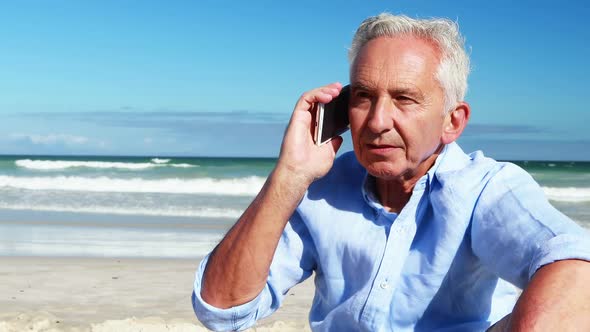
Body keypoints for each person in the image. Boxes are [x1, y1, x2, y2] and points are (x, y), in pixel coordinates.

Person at [192, 13, 590, 331]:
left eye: (404, 99)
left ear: (452, 121)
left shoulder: (485, 189)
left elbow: (575, 265)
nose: (378, 121)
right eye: (364, 96)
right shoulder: (321, 190)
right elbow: (222, 311)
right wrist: (289, 175)